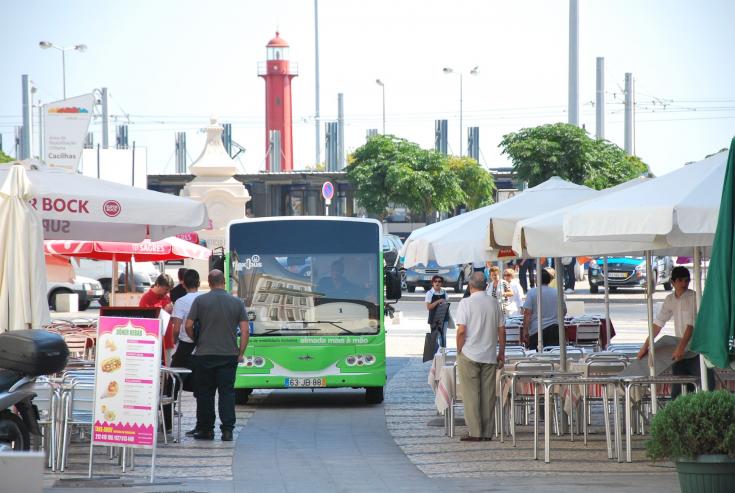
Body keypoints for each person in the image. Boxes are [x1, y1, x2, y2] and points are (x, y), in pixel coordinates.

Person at [185, 270, 249, 441]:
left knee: (205, 393)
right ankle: (227, 430)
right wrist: (240, 352)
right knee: (227, 393)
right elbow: (245, 330)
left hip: (204, 354)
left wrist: (196, 339)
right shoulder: (237, 303)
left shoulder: (200, 301)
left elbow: (188, 325)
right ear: (224, 282)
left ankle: (206, 430)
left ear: (210, 282)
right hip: (228, 355)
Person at [636, 266, 715, 398]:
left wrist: (680, 348)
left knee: (706, 387)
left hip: (698, 349)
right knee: (678, 390)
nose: (684, 283)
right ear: (672, 282)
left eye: (686, 280)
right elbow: (658, 324)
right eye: (680, 280)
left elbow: (691, 326)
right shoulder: (670, 299)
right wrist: (645, 346)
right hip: (681, 350)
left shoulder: (694, 298)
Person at [455, 272, 505, 442]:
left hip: (469, 353)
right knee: (488, 395)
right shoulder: (494, 303)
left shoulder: (465, 303)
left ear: (470, 285)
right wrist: (502, 353)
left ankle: (475, 432)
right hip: (489, 353)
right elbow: (501, 330)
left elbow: (461, 330)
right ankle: (487, 432)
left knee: (471, 395)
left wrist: (459, 349)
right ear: (485, 285)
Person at [170, 269, 201, 435]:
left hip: (185, 345)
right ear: (198, 282)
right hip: (202, 346)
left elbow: (177, 327)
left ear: (183, 283)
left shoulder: (181, 301)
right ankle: (201, 425)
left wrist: (175, 341)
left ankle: (167, 421)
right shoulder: (204, 299)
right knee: (201, 386)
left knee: (172, 381)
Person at [521, 269, 566, 349]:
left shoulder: (532, 292)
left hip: (536, 330)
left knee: (537, 358)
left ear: (537, 280)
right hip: (554, 329)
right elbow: (564, 311)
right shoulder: (557, 292)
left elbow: (527, 313)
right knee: (553, 356)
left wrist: (525, 330)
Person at [425, 275, 449, 350]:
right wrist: (438, 301)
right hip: (434, 318)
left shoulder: (444, 292)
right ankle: (435, 353)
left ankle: (443, 352)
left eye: (439, 281)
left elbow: (446, 302)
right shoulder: (429, 293)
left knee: (443, 336)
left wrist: (444, 303)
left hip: (444, 317)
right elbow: (428, 307)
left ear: (441, 283)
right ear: (432, 283)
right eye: (435, 281)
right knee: (435, 336)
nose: (437, 283)